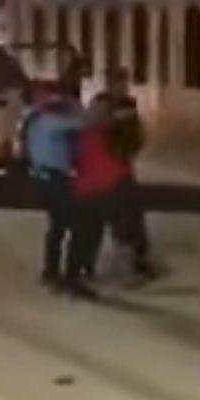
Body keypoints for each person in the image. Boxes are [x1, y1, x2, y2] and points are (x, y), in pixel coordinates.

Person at [92, 67, 156, 279]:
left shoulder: (129, 104)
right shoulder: (101, 103)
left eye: (124, 83)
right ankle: (92, 261)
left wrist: (134, 145)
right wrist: (115, 120)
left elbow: (136, 131)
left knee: (133, 212)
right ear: (109, 84)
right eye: (118, 83)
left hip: (123, 163)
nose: (122, 87)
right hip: (105, 166)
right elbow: (96, 128)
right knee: (109, 212)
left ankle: (139, 257)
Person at [20, 86, 84, 293]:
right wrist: (75, 107)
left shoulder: (33, 120)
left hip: (44, 177)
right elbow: (81, 124)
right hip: (54, 178)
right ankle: (69, 276)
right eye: (45, 95)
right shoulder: (46, 121)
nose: (51, 99)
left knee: (58, 226)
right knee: (75, 224)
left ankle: (52, 271)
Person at [68, 96, 132, 299]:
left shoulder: (98, 135)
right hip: (89, 191)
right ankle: (74, 277)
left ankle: (81, 272)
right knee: (84, 235)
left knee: (90, 234)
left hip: (94, 191)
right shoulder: (91, 135)